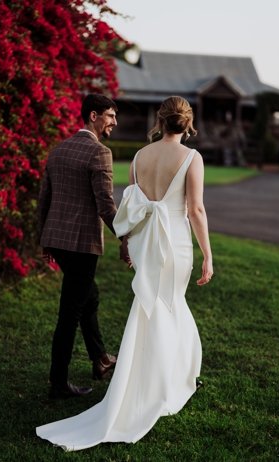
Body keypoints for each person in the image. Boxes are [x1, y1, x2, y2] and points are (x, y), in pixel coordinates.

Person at [37, 96, 214, 450]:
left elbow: (131, 207)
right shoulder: (192, 158)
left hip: (147, 245)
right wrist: (208, 255)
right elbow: (194, 208)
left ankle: (130, 370)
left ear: (160, 120)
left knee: (148, 305)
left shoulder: (137, 157)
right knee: (169, 304)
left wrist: (127, 241)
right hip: (174, 244)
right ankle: (165, 383)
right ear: (188, 123)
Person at [37, 94, 127, 399]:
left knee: (89, 296)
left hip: (58, 241)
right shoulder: (99, 153)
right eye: (111, 116)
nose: (115, 122)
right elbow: (106, 205)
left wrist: (43, 240)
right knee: (70, 313)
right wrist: (125, 236)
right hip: (81, 245)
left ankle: (100, 359)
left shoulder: (58, 150)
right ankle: (58, 384)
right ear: (93, 116)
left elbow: (44, 201)